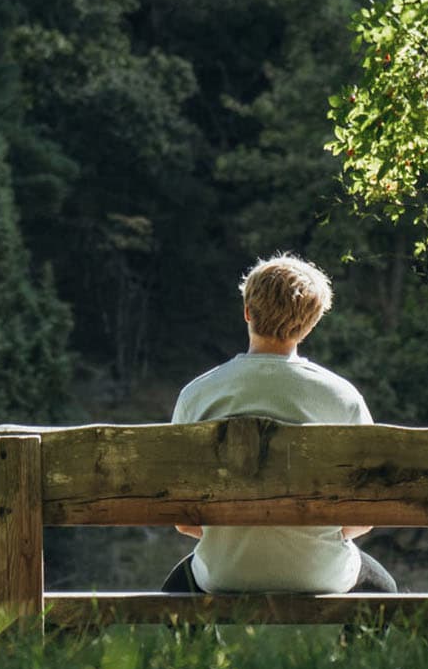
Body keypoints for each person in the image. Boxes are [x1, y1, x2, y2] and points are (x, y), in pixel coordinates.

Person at [162, 254, 399, 595]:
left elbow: (184, 520)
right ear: (311, 323)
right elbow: (363, 517)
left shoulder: (198, 394)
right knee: (384, 587)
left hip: (223, 572)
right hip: (321, 571)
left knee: (176, 589)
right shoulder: (341, 397)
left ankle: (202, 651)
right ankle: (354, 650)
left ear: (247, 312)